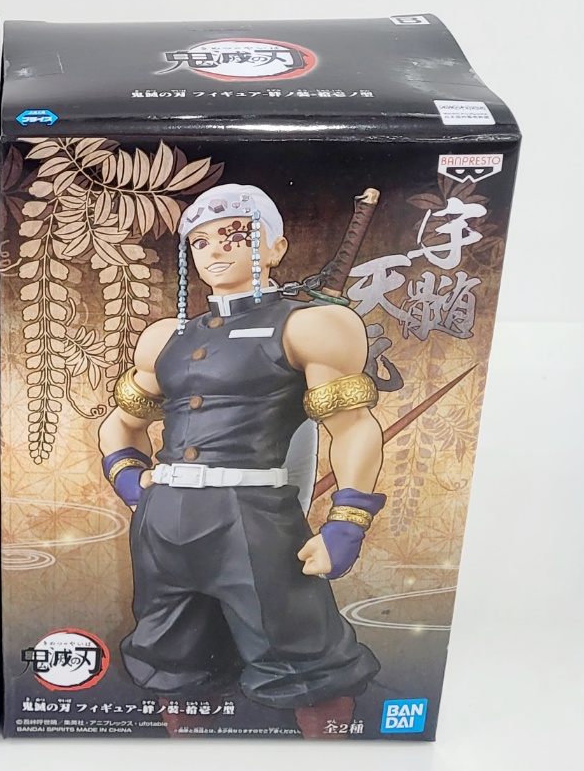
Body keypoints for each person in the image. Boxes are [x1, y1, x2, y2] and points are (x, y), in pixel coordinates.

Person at [97, 183, 384, 738]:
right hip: (162, 524)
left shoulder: (308, 325)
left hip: (251, 517)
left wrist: (347, 520)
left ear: (276, 247)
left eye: (235, 235)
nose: (215, 250)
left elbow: (352, 426)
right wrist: (130, 480)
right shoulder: (165, 337)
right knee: (170, 662)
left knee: (305, 659)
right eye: (200, 241)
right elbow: (121, 423)